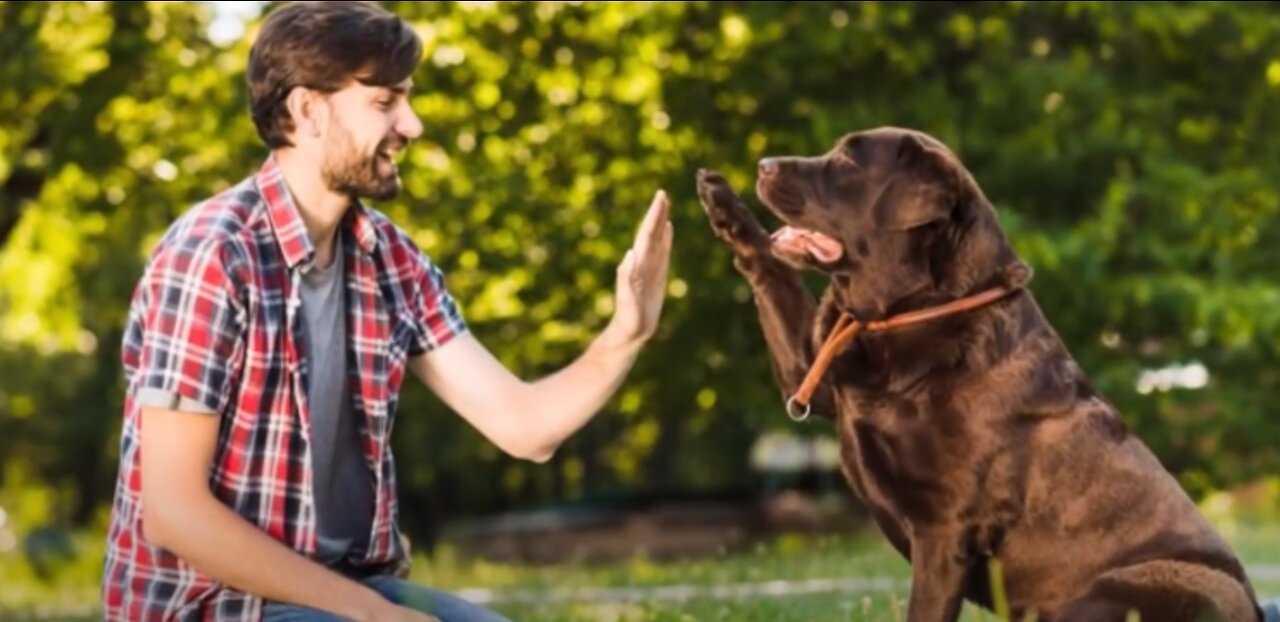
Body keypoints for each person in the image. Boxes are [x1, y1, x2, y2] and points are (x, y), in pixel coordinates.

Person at [99, 1, 673, 620]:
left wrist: (626, 333)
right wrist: (375, 616)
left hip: (349, 590)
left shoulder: (389, 260)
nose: (414, 125)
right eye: (385, 102)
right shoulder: (214, 254)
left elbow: (524, 428)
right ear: (307, 110)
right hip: (213, 605)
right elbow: (174, 511)